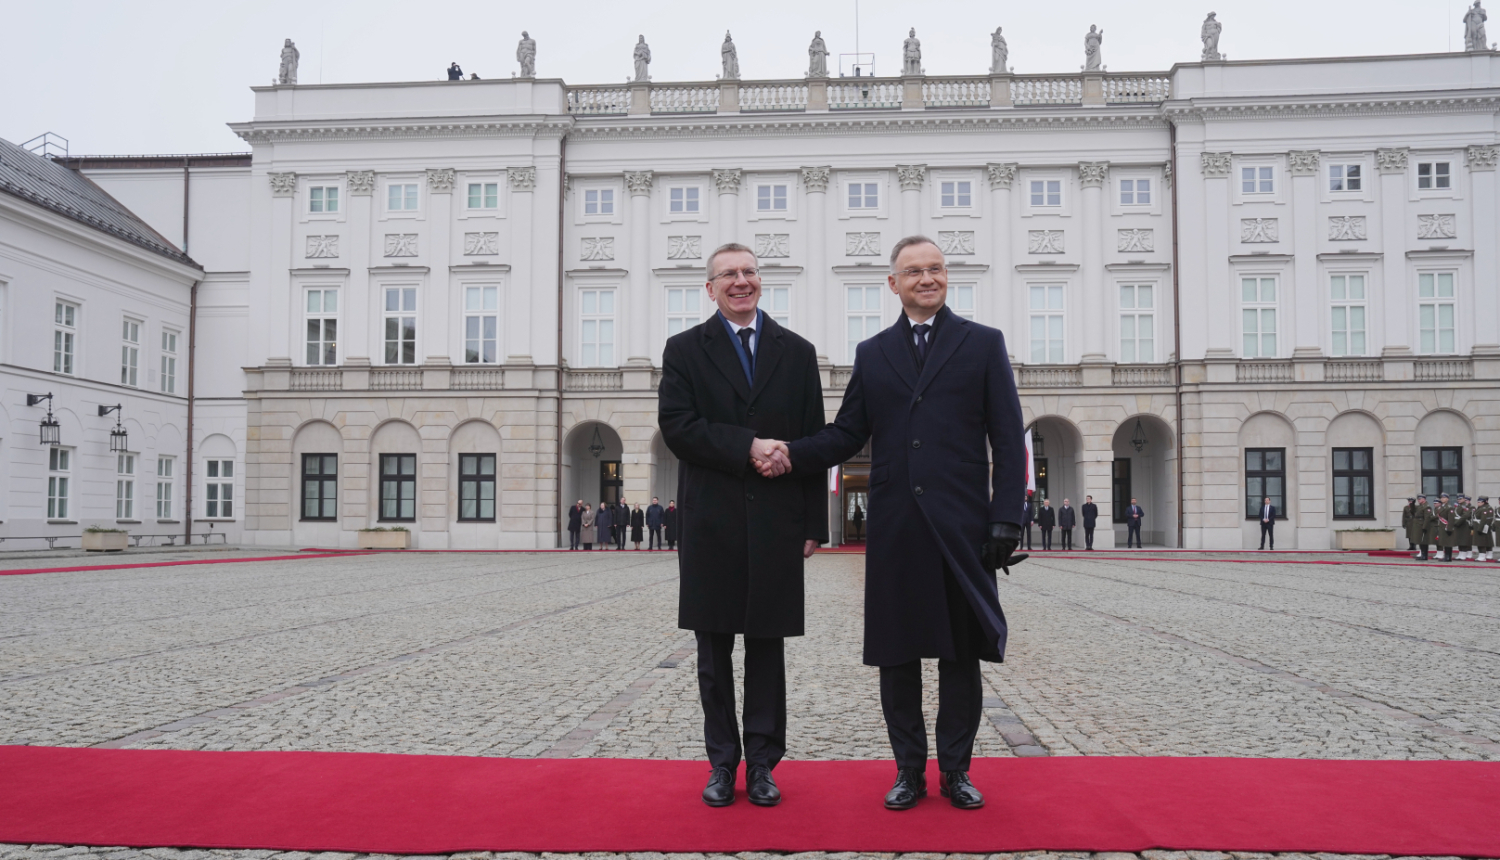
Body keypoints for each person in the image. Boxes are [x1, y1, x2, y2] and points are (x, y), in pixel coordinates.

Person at [767, 235, 1027, 812]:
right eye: (913, 271)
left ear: (946, 276)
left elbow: (1009, 437)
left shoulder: (983, 344)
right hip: (896, 527)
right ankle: (908, 770)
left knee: (961, 656)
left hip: (963, 527)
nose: (926, 278)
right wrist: (791, 452)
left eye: (934, 268)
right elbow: (847, 431)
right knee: (898, 655)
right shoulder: (873, 351)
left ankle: (955, 771)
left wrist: (1007, 515)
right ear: (894, 283)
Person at [658, 241, 829, 809]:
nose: (740, 281)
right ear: (710, 289)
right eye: (728, 274)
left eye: (749, 272)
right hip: (713, 521)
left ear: (762, 281)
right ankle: (720, 762)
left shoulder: (798, 352)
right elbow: (678, 427)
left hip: (778, 522)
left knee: (767, 651)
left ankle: (762, 764)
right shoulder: (684, 349)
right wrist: (748, 446)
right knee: (714, 654)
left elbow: (812, 437)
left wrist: (813, 520)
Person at [1434, 492, 1455, 561]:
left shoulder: (1449, 507)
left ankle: (1448, 557)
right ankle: (1446, 556)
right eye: (1441, 498)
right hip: (1442, 527)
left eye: (1444, 498)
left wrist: (1449, 528)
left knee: (1448, 542)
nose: (1442, 499)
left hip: (1447, 527)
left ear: (1447, 499)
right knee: (1444, 542)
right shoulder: (1441, 507)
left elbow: (1451, 519)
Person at [1476, 496, 1495, 561]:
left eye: (1479, 502)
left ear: (1484, 502)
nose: (1478, 503)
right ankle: (1487, 554)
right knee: (1485, 541)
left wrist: (1483, 527)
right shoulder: (1481, 508)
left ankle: (1483, 555)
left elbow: (1487, 519)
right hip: (1481, 525)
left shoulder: (1487, 508)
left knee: (1483, 541)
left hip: (1484, 526)